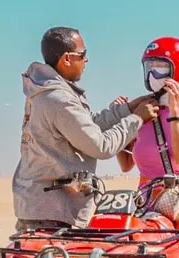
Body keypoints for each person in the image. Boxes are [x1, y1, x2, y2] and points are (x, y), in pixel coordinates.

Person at [12, 27, 160, 233]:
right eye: (82, 55)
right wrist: (137, 119)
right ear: (66, 59)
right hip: (51, 213)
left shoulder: (44, 91)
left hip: (37, 207)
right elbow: (101, 146)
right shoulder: (59, 99)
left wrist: (127, 109)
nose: (86, 60)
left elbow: (87, 125)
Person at [116, 36, 179, 235]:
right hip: (145, 201)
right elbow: (126, 164)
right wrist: (120, 121)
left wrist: (174, 112)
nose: (152, 74)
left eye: (159, 67)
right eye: (149, 67)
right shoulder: (145, 107)